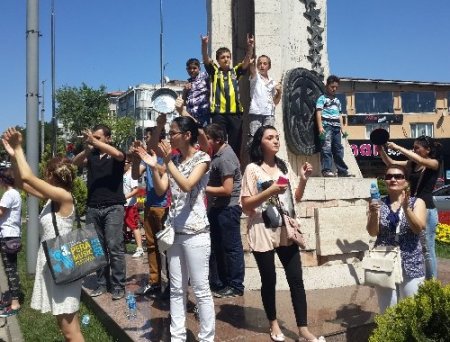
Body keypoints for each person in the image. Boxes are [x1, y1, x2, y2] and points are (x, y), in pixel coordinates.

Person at [241, 125, 325, 342]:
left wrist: (304, 179)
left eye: (277, 137)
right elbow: (246, 205)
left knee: (296, 279)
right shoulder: (252, 169)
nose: (276, 141)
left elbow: (294, 198)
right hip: (262, 229)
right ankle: (273, 324)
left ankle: (303, 329)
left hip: (286, 229)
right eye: (270, 137)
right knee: (269, 280)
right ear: (261, 142)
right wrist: (270, 190)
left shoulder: (283, 166)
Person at [2, 127, 85, 341]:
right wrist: (13, 156)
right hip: (55, 265)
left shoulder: (64, 196)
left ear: (51, 175)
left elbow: (28, 176)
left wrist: (20, 147)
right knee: (67, 327)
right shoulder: (52, 199)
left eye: (46, 174)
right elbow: (21, 182)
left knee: (70, 331)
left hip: (63, 264)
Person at [136, 116, 214, 342]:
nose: (169, 137)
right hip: (175, 233)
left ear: (187, 135)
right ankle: (177, 336)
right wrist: (154, 167)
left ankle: (207, 338)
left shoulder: (202, 158)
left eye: (173, 132)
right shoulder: (175, 160)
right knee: (177, 289)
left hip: (196, 232)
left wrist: (166, 161)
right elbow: (161, 190)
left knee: (200, 289)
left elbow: (188, 185)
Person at [72, 124, 127, 300]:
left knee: (114, 247)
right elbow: (74, 163)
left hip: (113, 207)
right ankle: (102, 283)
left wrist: (94, 142)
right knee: (97, 249)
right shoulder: (92, 155)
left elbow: (119, 155)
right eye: (93, 137)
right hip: (93, 207)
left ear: (108, 138)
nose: (94, 140)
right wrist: (87, 149)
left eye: (98, 138)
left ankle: (118, 285)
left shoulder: (115, 153)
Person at [366, 164, 426, 313]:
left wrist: (406, 209)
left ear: (406, 181)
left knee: (412, 310)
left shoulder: (417, 202)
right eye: (389, 176)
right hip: (385, 262)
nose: (393, 179)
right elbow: (373, 232)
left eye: (398, 176)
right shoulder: (378, 203)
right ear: (385, 181)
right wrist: (373, 213)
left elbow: (418, 228)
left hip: (411, 261)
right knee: (388, 310)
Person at [379, 136, 441, 279]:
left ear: (428, 150)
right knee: (415, 246)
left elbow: (421, 160)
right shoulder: (412, 164)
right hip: (412, 206)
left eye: (417, 147)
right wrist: (380, 148)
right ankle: (417, 278)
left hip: (427, 209)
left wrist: (398, 148)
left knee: (427, 249)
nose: (414, 150)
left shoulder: (434, 163)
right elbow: (391, 162)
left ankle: (431, 284)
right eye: (413, 147)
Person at [204, 123, 244, 298]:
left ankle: (235, 285)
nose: (204, 142)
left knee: (231, 248)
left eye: (207, 139)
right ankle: (221, 282)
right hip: (218, 208)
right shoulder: (219, 155)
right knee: (218, 247)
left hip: (228, 208)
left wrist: (202, 187)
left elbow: (227, 189)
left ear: (217, 139)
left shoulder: (225, 158)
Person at [201, 33, 254, 158]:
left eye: (228, 57)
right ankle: (219, 166)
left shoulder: (235, 71)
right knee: (219, 141)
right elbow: (206, 59)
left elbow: (246, 62)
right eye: (223, 57)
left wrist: (250, 47)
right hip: (219, 113)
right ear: (218, 60)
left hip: (235, 113)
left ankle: (234, 167)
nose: (226, 59)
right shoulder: (214, 71)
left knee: (236, 143)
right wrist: (204, 45)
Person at [131, 126, 170, 298]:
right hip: (149, 206)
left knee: (167, 248)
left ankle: (172, 283)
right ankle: (154, 282)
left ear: (158, 139)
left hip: (164, 207)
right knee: (152, 245)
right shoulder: (147, 158)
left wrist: (152, 163)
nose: (146, 140)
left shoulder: (166, 156)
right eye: (146, 137)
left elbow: (167, 173)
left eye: (148, 137)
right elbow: (134, 175)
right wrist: (135, 158)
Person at [316, 75, 353, 177]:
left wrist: (342, 128)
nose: (334, 89)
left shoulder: (337, 101)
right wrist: (320, 127)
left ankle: (342, 170)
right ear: (327, 86)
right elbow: (318, 113)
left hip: (336, 127)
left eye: (336, 87)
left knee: (338, 149)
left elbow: (340, 115)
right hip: (326, 126)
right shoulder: (322, 99)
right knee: (326, 148)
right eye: (332, 86)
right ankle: (326, 170)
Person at [0, 168, 22, 317]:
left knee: (11, 270)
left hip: (8, 236)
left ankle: (15, 303)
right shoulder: (15, 193)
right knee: (11, 269)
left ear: (3, 180)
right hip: (11, 235)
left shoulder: (8, 194)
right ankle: (12, 297)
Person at [248, 55, 282, 147]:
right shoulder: (255, 77)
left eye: (265, 63)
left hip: (269, 114)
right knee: (254, 138)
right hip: (256, 113)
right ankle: (255, 160)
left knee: (268, 139)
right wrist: (251, 63)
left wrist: (279, 92)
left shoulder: (273, 82)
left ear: (269, 66)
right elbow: (252, 70)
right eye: (259, 63)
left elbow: (275, 102)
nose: (262, 66)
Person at [123, 153, 144, 258]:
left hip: (130, 205)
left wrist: (125, 197)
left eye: (124, 162)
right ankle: (122, 246)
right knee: (122, 225)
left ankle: (140, 248)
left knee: (134, 226)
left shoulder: (132, 174)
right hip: (122, 205)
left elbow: (136, 190)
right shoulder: (122, 174)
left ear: (129, 163)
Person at [182, 58, 210, 127]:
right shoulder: (188, 83)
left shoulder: (205, 77)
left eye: (194, 68)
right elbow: (183, 102)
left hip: (203, 115)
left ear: (199, 68)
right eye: (189, 68)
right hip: (191, 116)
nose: (192, 70)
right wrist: (185, 91)